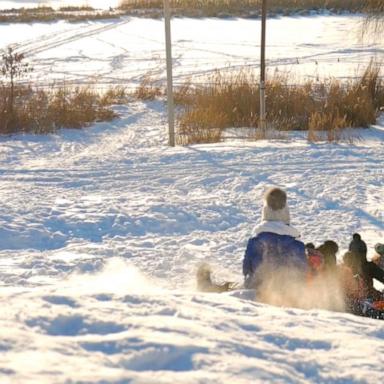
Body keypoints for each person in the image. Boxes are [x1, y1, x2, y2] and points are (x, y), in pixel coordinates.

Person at [242, 187, 307, 292]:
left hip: (259, 291)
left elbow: (246, 270)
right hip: (289, 294)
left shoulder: (255, 241)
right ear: (286, 214)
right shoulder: (297, 245)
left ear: (265, 213)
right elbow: (302, 272)